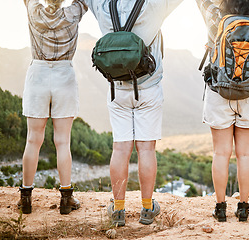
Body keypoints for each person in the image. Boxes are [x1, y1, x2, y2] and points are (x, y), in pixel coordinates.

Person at [84, 0, 183, 226]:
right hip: (148, 88)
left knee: (120, 148)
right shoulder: (153, 4)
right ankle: (147, 208)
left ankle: (118, 210)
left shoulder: (102, 5)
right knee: (146, 148)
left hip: (117, 88)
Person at [195, 0, 249, 222]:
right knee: (245, 154)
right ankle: (243, 208)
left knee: (221, 153)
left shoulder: (215, 16)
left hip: (218, 91)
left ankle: (221, 207)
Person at [18, 0, 88, 215]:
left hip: (38, 74)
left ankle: (26, 198)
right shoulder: (73, 12)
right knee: (63, 141)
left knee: (33, 139)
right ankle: (66, 199)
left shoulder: (33, 10)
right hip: (64, 75)